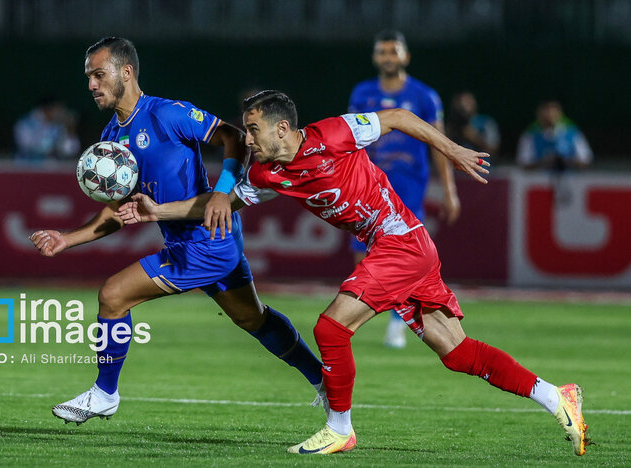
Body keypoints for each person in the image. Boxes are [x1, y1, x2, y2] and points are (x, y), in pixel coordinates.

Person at [118, 91, 590, 457]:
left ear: (283, 128)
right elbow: (219, 203)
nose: (247, 140)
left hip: (401, 242)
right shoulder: (267, 175)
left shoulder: (333, 134)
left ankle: (340, 429)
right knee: (457, 351)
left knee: (331, 326)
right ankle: (557, 396)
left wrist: (452, 151)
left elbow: (399, 119)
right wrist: (158, 210)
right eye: (245, 131)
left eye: (253, 130)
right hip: (403, 249)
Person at [29, 39, 327, 426]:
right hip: (202, 240)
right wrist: (67, 239)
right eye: (89, 76)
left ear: (127, 72)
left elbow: (233, 137)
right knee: (252, 319)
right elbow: (123, 211)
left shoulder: (168, 114)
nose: (91, 84)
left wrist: (222, 194)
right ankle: (325, 381)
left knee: (113, 296)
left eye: (98, 75)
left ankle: (104, 394)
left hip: (206, 241)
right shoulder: (112, 137)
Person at [347, 30, 460, 349]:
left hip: (408, 187)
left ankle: (398, 323)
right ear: (374, 57)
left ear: (405, 56)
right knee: (363, 256)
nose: (387, 58)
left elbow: (439, 146)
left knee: (405, 256)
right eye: (382, 52)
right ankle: (377, 313)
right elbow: (352, 139)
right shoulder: (362, 93)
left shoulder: (425, 97)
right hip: (369, 186)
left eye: (393, 52)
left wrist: (449, 189)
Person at [516, 100, 592, 171]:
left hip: (569, 179)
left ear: (560, 114)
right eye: (546, 113)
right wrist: (545, 162)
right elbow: (524, 163)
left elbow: (585, 160)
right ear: (539, 115)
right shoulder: (530, 134)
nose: (550, 116)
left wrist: (565, 161)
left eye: (553, 113)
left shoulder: (572, 133)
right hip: (539, 180)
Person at [14, 95, 80, 162]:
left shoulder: (59, 126)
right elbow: (26, 146)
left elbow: (70, 150)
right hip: (26, 168)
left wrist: (70, 129)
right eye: (58, 109)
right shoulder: (25, 124)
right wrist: (52, 147)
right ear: (48, 108)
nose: (61, 113)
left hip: (51, 169)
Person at [446, 91, 500, 156]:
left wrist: (474, 137)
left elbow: (493, 149)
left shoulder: (486, 122)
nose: (464, 105)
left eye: (468, 102)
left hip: (482, 164)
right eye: (462, 102)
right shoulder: (452, 125)